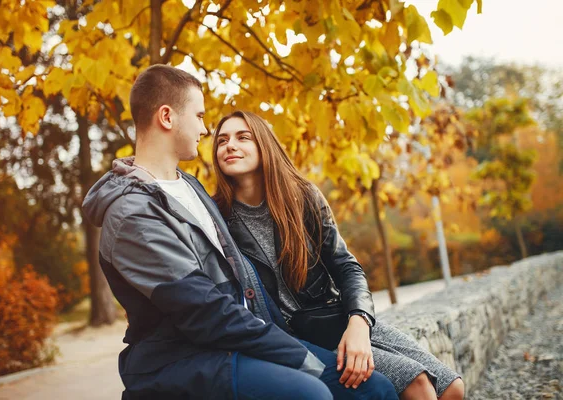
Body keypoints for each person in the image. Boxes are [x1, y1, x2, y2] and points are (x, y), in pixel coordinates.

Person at [82, 65, 396, 400]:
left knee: (375, 390)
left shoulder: (188, 186)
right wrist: (297, 355)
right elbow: (203, 311)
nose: (205, 129)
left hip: (245, 338)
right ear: (167, 117)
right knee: (312, 393)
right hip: (187, 356)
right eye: (200, 116)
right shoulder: (131, 214)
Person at [211, 110, 466, 400]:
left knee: (452, 388)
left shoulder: (303, 197)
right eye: (222, 140)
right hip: (298, 338)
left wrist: (359, 321)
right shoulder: (216, 216)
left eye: (243, 137)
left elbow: (347, 267)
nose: (229, 145)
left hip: (338, 318)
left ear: (264, 146)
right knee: (418, 386)